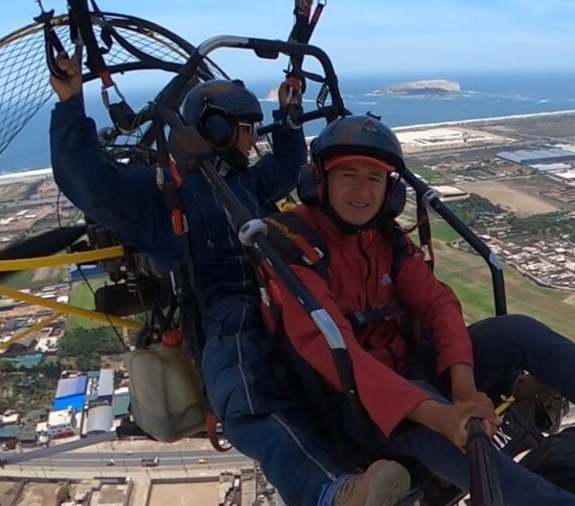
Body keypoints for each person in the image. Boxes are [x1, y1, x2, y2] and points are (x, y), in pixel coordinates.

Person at [270, 114, 575, 504]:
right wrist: (444, 416)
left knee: (517, 330)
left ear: (391, 190)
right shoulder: (294, 250)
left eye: (374, 178)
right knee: (431, 407)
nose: (362, 191)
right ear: (319, 181)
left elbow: (438, 303)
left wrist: (463, 383)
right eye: (347, 176)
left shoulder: (385, 239)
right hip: (363, 403)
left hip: (419, 372)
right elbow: (340, 358)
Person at [48, 57, 411, 506]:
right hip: (231, 312)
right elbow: (90, 184)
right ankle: (331, 491)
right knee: (247, 405)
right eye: (244, 127)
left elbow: (286, 163)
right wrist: (70, 105)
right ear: (214, 128)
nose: (252, 137)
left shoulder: (246, 183)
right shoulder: (163, 193)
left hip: (292, 293)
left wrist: (289, 114)